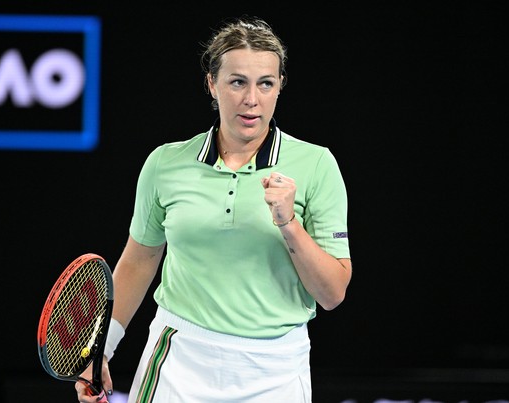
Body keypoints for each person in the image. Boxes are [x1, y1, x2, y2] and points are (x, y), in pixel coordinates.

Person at [75, 15, 352, 403]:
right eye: (237, 82)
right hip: (179, 357)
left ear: (279, 88)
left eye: (265, 84)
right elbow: (138, 262)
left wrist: (289, 224)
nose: (251, 99)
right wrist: (101, 348)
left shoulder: (317, 164)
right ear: (212, 84)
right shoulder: (165, 163)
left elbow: (332, 293)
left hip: (275, 368)